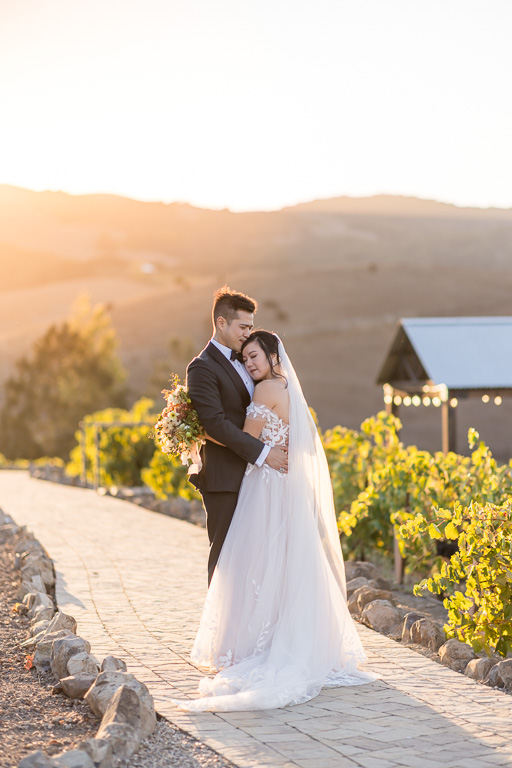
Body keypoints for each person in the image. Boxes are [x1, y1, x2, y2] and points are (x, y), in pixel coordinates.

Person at [174, 329, 377, 712]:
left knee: (253, 563)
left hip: (264, 486)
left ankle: (253, 648)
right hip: (278, 485)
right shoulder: (284, 389)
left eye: (255, 357)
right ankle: (279, 640)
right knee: (279, 565)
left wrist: (199, 427)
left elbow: (243, 439)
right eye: (245, 357)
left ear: (272, 357)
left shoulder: (266, 392)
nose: (249, 363)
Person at [186, 287, 288, 586]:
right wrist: (264, 451)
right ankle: (219, 630)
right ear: (221, 323)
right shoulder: (202, 367)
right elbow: (215, 424)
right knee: (224, 559)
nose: (248, 332)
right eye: (243, 326)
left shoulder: (249, 364)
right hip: (224, 478)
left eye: (251, 327)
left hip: (257, 480)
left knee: (251, 560)